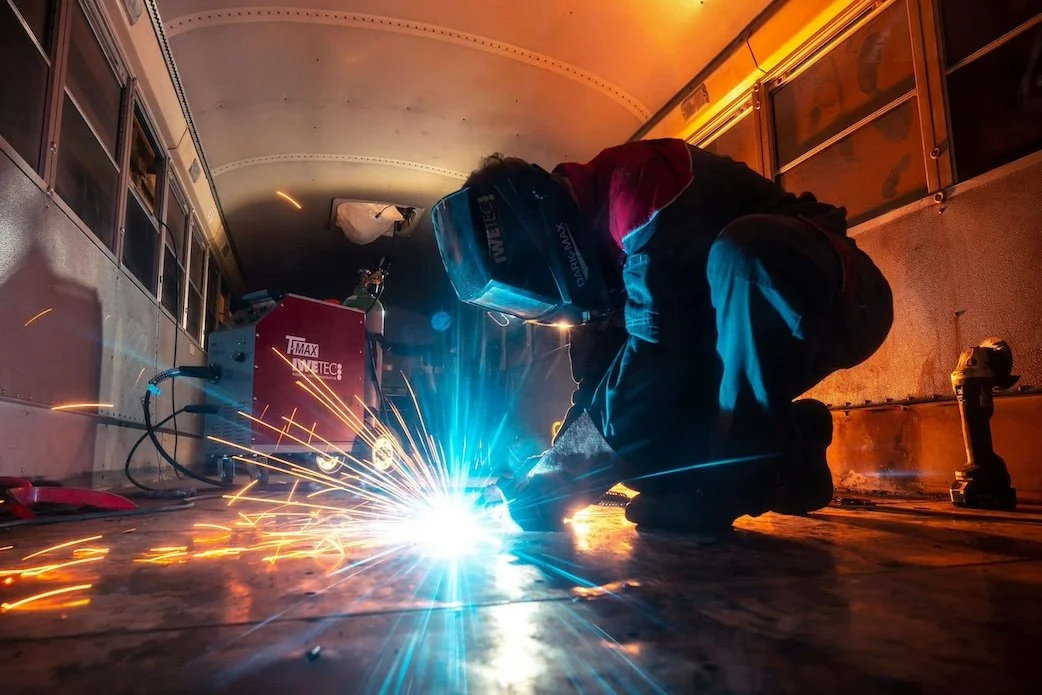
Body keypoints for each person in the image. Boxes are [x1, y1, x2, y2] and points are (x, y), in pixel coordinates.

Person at [431, 138, 893, 533]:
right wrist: (547, 474)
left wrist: (558, 482)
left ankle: (737, 479)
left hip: (839, 296)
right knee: (647, 457)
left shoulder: (637, 184)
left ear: (541, 231)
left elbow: (654, 355)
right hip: (740, 337)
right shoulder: (596, 275)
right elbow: (599, 392)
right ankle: (792, 455)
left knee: (745, 254)